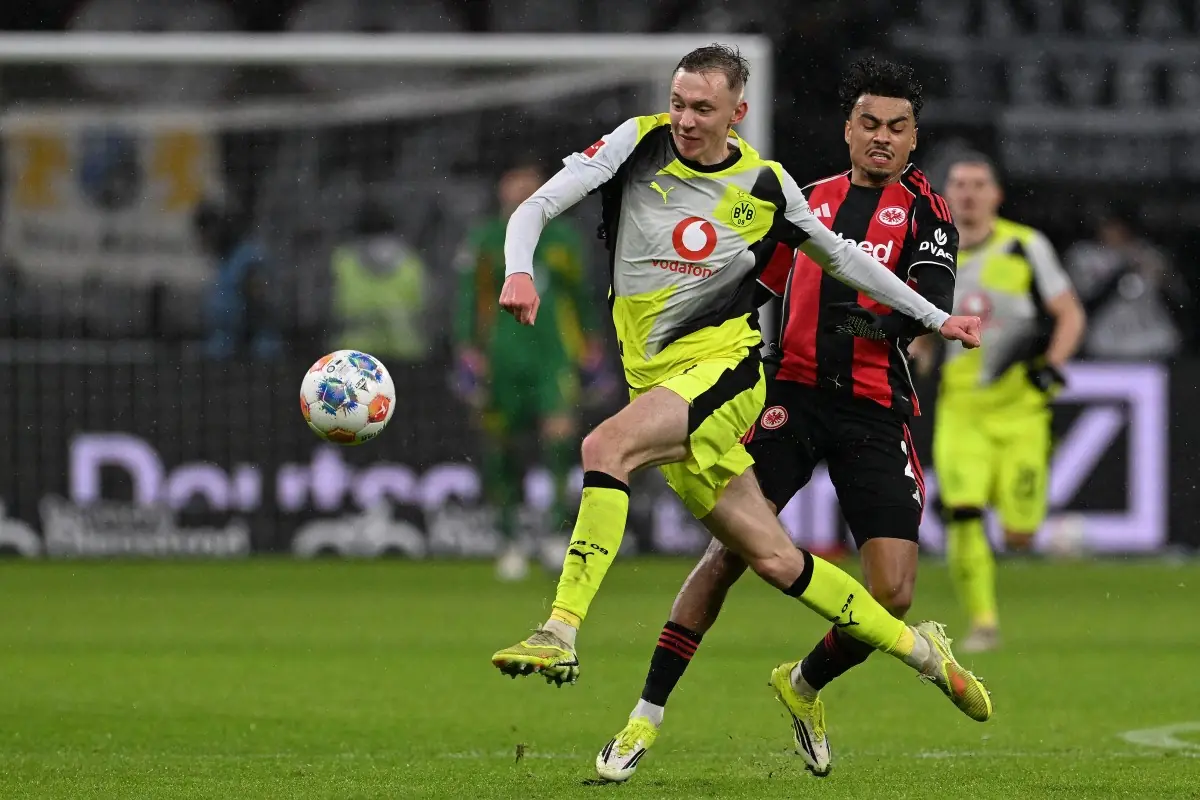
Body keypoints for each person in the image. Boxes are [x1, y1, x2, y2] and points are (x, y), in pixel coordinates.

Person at [490, 43, 987, 747]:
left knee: (605, 445)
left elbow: (847, 262)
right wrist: (518, 269)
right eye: (679, 104)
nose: (686, 119)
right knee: (770, 558)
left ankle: (559, 630)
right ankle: (919, 653)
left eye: (703, 108)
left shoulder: (776, 186)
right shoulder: (640, 145)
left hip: (742, 374)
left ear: (737, 112)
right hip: (708, 385)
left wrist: (936, 319)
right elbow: (538, 207)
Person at [918, 153, 1085, 653]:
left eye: (979, 184)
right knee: (963, 513)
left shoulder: (1025, 246)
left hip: (1020, 411)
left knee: (1019, 536)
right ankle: (983, 623)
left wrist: (1052, 363)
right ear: (947, 194)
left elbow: (1069, 313)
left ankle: (1024, 515)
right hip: (962, 409)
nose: (968, 193)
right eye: (959, 184)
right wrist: (914, 358)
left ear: (996, 195)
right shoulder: (933, 254)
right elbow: (922, 325)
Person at [452, 161, 605, 581]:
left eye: (530, 182)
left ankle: (555, 534)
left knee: (558, 440)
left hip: (552, 356)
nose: (522, 188)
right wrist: (468, 349)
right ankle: (509, 539)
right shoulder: (485, 239)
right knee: (502, 449)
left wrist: (591, 345)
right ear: (502, 188)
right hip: (502, 357)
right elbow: (469, 298)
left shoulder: (563, 239)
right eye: (514, 181)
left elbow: (581, 296)